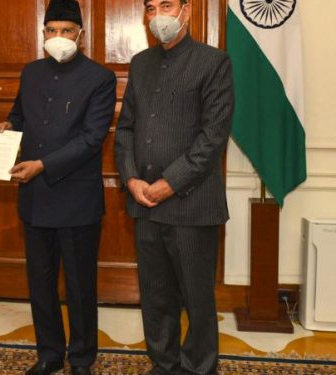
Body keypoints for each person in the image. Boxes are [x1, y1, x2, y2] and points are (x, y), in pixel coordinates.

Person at [0, 0, 116, 373]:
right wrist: (5, 128)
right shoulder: (31, 73)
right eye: (51, 30)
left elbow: (92, 138)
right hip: (34, 199)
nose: (58, 37)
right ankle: (49, 354)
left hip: (77, 199)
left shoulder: (100, 78)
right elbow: (20, 117)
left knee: (80, 288)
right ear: (43, 33)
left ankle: (81, 359)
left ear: (80, 34)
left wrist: (44, 165)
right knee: (41, 283)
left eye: (66, 30)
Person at [113, 0, 234, 373]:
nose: (157, 15)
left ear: (186, 11)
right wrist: (131, 178)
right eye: (150, 8)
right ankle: (163, 364)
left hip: (192, 204)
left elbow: (212, 138)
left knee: (197, 300)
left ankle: (199, 367)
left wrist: (169, 183)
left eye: (166, 5)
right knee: (156, 295)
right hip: (144, 201)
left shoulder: (214, 62)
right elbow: (126, 129)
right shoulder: (140, 64)